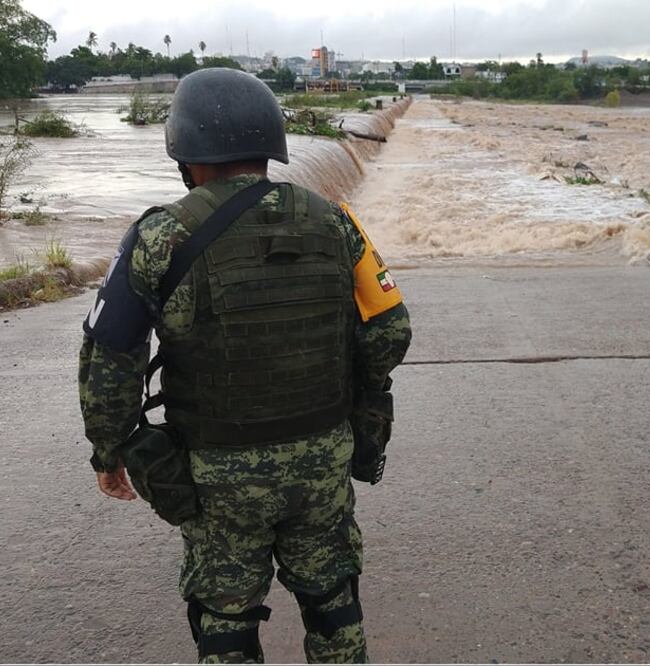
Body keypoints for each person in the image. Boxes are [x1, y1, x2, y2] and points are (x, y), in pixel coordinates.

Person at [78, 68, 411, 663]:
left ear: (185, 153)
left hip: (217, 474)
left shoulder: (161, 236)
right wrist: (347, 405)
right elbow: (390, 330)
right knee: (333, 598)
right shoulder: (336, 222)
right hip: (322, 459)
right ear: (269, 145)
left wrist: (110, 453)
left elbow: (110, 365)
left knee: (225, 617)